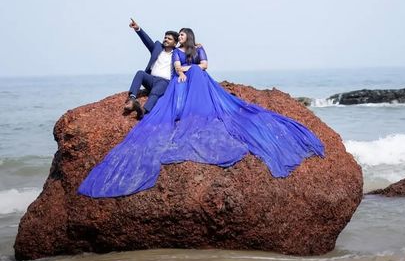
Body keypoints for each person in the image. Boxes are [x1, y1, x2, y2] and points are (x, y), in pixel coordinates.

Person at [78, 28, 324, 198]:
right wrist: (184, 69)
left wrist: (190, 66)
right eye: (179, 35)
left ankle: (196, 105)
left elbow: (204, 65)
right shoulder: (175, 52)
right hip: (179, 81)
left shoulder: (196, 49)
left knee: (198, 73)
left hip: (195, 78)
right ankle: (156, 106)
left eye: (182, 34)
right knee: (188, 76)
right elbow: (176, 66)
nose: (179, 37)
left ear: (188, 37)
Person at [123, 18, 179, 120]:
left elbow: (190, 54)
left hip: (164, 82)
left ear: (175, 43)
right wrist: (137, 29)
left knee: (155, 92)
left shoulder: (178, 54)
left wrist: (197, 46)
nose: (166, 39)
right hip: (151, 79)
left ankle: (143, 111)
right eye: (165, 38)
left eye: (169, 39)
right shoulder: (157, 47)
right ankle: (132, 100)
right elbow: (147, 41)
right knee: (140, 73)